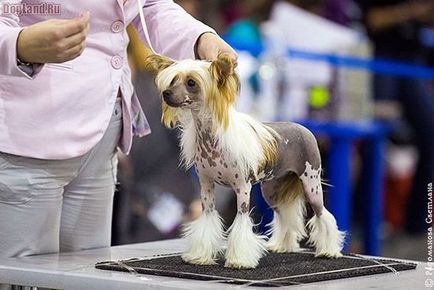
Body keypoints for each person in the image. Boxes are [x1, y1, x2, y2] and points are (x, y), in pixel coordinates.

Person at [0, 0, 236, 258]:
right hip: (32, 132)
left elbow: (149, 6)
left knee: (89, 270)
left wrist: (199, 37)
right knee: (23, 274)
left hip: (104, 131)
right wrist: (20, 44)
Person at [356, 0, 434, 233]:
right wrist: (409, 12)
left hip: (413, 63)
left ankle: (419, 223)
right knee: (373, 142)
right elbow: (371, 21)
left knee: (430, 137)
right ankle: (365, 220)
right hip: (381, 61)